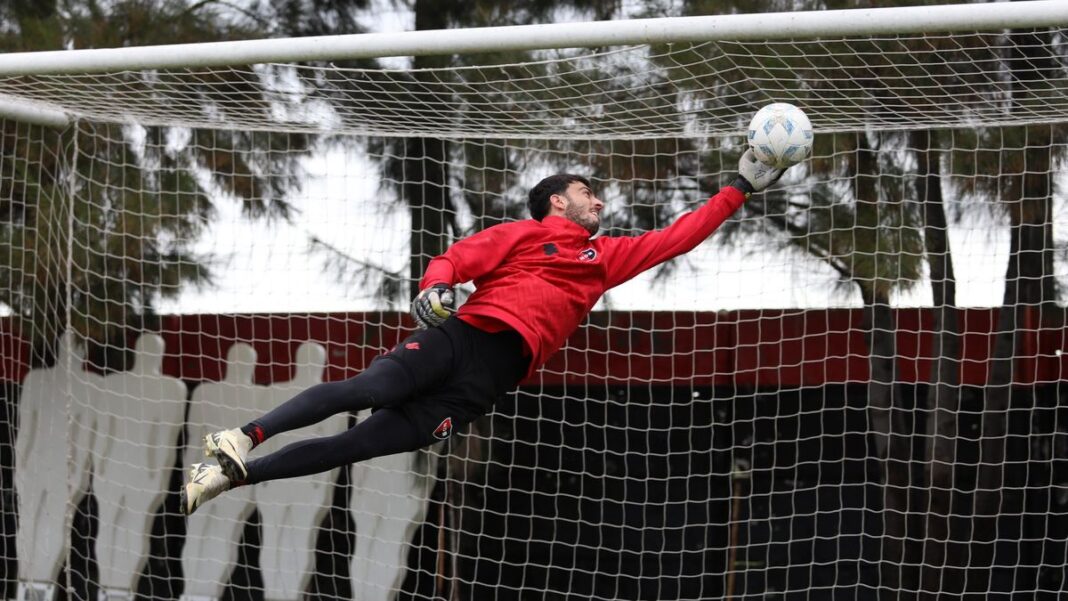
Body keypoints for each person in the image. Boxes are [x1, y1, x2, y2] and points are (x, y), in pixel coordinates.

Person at [181, 150, 788, 515]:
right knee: (364, 389)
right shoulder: (525, 235)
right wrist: (433, 285)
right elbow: (458, 258)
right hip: (462, 337)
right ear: (555, 201)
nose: (598, 201)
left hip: (483, 384)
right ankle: (241, 435)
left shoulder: (603, 258)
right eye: (587, 192)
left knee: (356, 447)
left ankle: (233, 476)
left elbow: (678, 236)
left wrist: (740, 187)